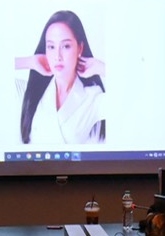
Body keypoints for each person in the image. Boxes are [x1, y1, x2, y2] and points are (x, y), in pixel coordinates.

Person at [17, 10, 106, 144]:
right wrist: (29, 62)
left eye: (66, 46)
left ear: (80, 48)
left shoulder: (93, 97)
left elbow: (133, 96)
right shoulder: (31, 91)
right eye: (51, 47)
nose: (57, 56)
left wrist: (102, 68)